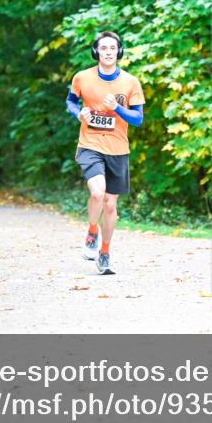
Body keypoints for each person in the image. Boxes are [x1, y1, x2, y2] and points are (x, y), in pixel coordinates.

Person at [66, 31, 145, 275]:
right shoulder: (82, 77)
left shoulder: (130, 82)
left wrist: (118, 109)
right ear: (96, 51)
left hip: (118, 149)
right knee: (98, 194)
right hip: (89, 144)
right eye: (104, 48)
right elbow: (70, 101)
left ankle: (105, 252)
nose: (109, 52)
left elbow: (138, 119)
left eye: (113, 48)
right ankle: (92, 231)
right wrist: (78, 114)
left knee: (111, 205)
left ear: (119, 52)